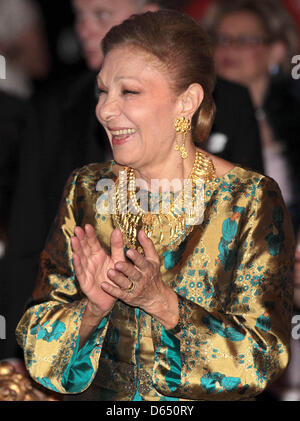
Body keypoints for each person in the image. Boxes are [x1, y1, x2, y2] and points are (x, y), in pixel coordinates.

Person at [16, 10, 295, 401]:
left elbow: (262, 357)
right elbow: (35, 343)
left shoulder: (248, 200)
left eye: (128, 91)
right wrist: (92, 311)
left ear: (187, 102)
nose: (106, 109)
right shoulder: (87, 189)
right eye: (102, 90)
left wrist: (164, 304)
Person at [204, 0, 300, 234]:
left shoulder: (294, 115)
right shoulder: (196, 114)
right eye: (222, 39)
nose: (230, 48)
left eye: (245, 40)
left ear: (276, 51)